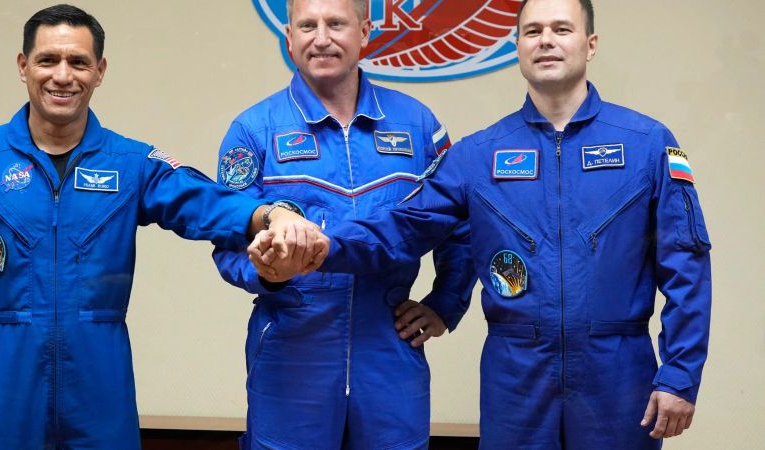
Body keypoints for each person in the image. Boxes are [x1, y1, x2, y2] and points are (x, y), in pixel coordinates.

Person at [250, 0, 712, 448]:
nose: (546, 41)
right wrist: (320, 246)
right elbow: (402, 227)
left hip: (618, 370)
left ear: (590, 45)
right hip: (516, 373)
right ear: (517, 46)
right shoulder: (478, 156)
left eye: (561, 29)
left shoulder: (647, 144)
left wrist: (678, 374)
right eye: (533, 31)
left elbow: (686, 268)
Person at [0, 5, 324, 450]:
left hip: (99, 384)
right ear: (23, 65)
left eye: (79, 62)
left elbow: (203, 201)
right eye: (48, 60)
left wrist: (271, 215)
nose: (62, 76)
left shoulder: (130, 164)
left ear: (100, 71)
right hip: (3, 384)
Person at [212, 0, 474, 448]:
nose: (322, 38)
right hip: (291, 349)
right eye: (307, 25)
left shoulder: (418, 126)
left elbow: (459, 225)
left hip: (389, 350)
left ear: (365, 32)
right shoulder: (254, 130)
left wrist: (445, 303)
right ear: (290, 38)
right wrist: (267, 275)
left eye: (336, 23)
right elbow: (228, 245)